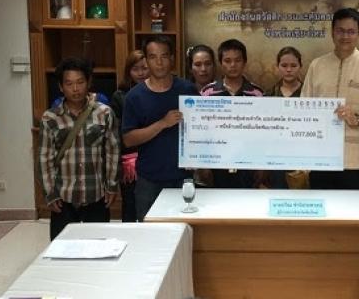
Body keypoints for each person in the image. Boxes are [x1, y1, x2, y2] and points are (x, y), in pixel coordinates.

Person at [302, 8, 359, 189]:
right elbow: (305, 105)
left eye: (351, 31)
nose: (345, 36)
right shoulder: (317, 65)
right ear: (332, 32)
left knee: (356, 214)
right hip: (321, 156)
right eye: (340, 30)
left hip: (358, 160)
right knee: (323, 211)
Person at [37, 57, 120, 240]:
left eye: (80, 82)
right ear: (60, 86)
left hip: (96, 193)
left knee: (98, 248)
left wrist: (112, 186)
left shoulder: (104, 113)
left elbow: (112, 151)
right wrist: (50, 193)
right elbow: (45, 158)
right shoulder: (50, 118)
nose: (75, 89)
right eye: (69, 84)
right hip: (63, 196)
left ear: (88, 82)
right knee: (62, 252)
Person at [122, 35, 199, 221]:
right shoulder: (135, 96)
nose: (159, 62)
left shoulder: (188, 89)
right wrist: (162, 123)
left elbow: (200, 129)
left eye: (164, 56)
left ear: (172, 58)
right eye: (153, 57)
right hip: (149, 179)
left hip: (183, 177)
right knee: (150, 232)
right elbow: (128, 139)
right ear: (146, 60)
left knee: (185, 230)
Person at [200, 39, 265, 188]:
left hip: (248, 164)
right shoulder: (207, 93)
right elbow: (201, 132)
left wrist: (263, 165)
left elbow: (263, 133)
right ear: (221, 63)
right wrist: (202, 165)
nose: (233, 65)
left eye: (237, 60)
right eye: (227, 61)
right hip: (216, 163)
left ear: (245, 62)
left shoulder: (257, 94)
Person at [110, 51, 149, 222]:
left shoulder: (158, 91)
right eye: (135, 69)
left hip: (152, 157)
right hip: (129, 161)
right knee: (130, 205)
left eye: (144, 68)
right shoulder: (120, 96)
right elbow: (118, 133)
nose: (141, 73)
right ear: (128, 71)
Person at [267, 46, 304, 189]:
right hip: (275, 157)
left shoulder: (309, 94)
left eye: (293, 65)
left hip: (302, 157)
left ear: (300, 66)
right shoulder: (269, 94)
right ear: (277, 67)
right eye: (284, 65)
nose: (289, 69)